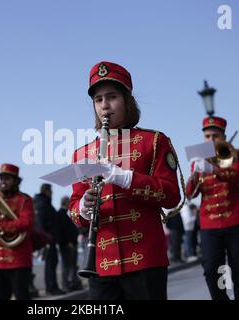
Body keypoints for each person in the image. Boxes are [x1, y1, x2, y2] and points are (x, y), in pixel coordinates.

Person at [69, 61, 182, 300]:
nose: (105, 106)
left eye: (111, 97)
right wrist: (83, 208)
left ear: (127, 101)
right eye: (98, 100)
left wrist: (125, 178)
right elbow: (74, 208)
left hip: (145, 261)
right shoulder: (81, 154)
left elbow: (172, 196)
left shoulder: (153, 141)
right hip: (100, 264)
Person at [186, 116, 239, 300]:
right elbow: (191, 195)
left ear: (223, 136)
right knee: (210, 270)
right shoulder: (198, 160)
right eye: (207, 136)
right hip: (210, 224)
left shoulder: (235, 154)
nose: (211, 140)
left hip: (236, 220)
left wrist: (214, 168)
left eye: (215, 135)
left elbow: (238, 176)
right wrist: (193, 176)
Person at [0, 164, 34, 300]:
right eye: (1, 178)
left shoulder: (25, 200)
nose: (3, 182)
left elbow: (26, 223)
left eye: (7, 179)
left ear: (15, 181)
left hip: (18, 260)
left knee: (22, 297)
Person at [34, 183, 64, 295]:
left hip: (50, 239)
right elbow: (41, 223)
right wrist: (45, 238)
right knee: (50, 264)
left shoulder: (45, 203)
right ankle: (51, 288)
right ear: (46, 191)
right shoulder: (42, 203)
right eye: (50, 191)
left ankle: (52, 287)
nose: (52, 193)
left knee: (52, 263)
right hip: (47, 239)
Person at [56, 196, 82, 292]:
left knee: (70, 266)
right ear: (66, 203)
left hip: (69, 244)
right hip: (67, 245)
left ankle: (70, 283)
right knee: (67, 266)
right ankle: (66, 284)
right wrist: (68, 242)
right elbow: (63, 231)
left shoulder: (63, 215)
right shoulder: (61, 215)